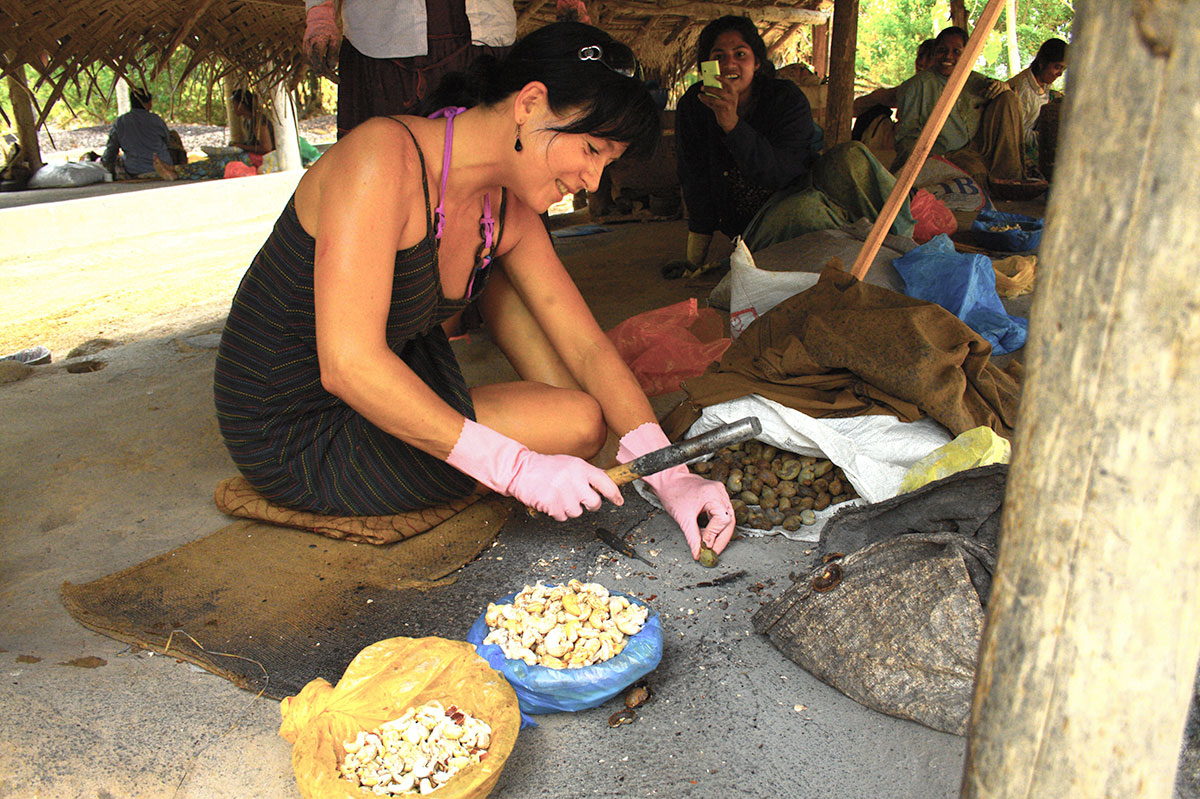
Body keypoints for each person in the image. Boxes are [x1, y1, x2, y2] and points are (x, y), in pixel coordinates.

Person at [213, 22, 736, 562]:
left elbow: (586, 348)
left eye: (608, 162)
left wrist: (670, 473)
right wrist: (514, 467)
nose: (593, 180)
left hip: (388, 389)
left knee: (582, 420)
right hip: (296, 426)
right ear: (531, 103)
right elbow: (347, 364)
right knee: (570, 431)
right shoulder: (381, 158)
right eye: (591, 149)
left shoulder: (506, 208)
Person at [670, 15, 913, 275]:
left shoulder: (784, 98)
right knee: (805, 211)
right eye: (718, 56)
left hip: (800, 186)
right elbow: (694, 179)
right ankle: (853, 235)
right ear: (705, 66)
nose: (729, 64)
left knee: (852, 156)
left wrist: (734, 126)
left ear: (756, 62)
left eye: (740, 54)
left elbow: (785, 173)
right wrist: (694, 259)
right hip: (760, 223)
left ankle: (906, 247)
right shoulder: (694, 107)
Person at [302, 0, 517, 139]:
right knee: (386, 177)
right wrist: (320, 13)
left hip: (484, 40)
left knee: (495, 181)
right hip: (381, 45)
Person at [893, 26, 1028, 191]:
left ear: (966, 55)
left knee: (1008, 98)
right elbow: (905, 138)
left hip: (974, 152)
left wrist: (1004, 88)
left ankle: (1009, 178)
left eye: (956, 51)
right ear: (934, 52)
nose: (948, 56)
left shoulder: (975, 80)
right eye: (942, 50)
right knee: (975, 175)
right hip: (940, 157)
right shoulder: (916, 86)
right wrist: (924, 161)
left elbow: (1003, 101)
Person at [154, 90, 268, 180]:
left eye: (234, 105)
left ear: (242, 105)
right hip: (250, 156)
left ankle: (176, 170)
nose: (232, 108)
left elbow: (266, 148)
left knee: (219, 164)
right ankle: (176, 171)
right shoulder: (247, 121)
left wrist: (241, 147)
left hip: (259, 159)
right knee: (216, 161)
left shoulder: (260, 121)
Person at [1008, 37, 1067, 162]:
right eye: (1057, 67)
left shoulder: (1044, 84)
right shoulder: (1023, 90)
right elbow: (1016, 132)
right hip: (1016, 150)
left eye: (1063, 69)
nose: (1060, 74)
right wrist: (1045, 139)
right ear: (1042, 63)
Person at [101, 87, 173, 179]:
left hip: (135, 169)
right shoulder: (156, 120)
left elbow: (111, 149)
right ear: (147, 103)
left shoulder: (121, 122)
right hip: (162, 167)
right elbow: (167, 141)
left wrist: (104, 163)